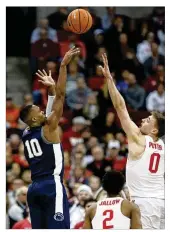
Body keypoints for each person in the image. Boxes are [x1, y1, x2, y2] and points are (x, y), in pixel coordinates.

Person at [99, 53, 165, 229]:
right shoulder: (164, 146)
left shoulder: (139, 138)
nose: (143, 120)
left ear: (155, 130)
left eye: (148, 120)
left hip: (145, 202)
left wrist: (109, 79)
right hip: (163, 201)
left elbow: (120, 107)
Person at [19, 47, 80, 229]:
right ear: (36, 117)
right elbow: (61, 97)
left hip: (33, 189)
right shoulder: (50, 128)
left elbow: (50, 106)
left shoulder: (27, 132)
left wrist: (50, 91)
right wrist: (62, 66)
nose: (41, 108)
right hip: (52, 187)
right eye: (38, 109)